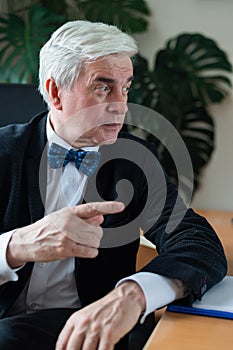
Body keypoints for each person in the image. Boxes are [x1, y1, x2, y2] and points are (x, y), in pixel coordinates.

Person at [0, 20, 227, 350]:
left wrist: (132, 294)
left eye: (126, 88)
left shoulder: (135, 160)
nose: (121, 105)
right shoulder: (4, 152)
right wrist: (15, 246)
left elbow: (197, 241)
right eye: (103, 87)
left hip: (95, 331)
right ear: (54, 92)